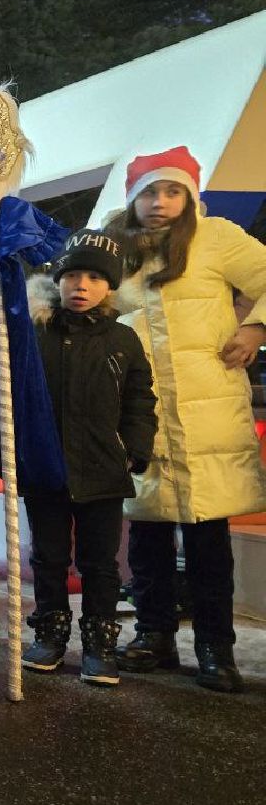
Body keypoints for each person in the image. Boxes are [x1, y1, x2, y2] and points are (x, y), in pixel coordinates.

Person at [108, 147, 266, 693]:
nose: (160, 203)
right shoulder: (114, 244)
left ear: (190, 196)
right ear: (133, 198)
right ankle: (153, 636)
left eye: (172, 191)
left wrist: (254, 329)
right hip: (137, 411)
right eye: (149, 192)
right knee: (146, 534)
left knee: (207, 538)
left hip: (207, 409)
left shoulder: (216, 237)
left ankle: (215, 648)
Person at [20, 230, 156, 685]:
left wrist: (136, 449)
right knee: (49, 557)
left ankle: (100, 643)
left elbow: (140, 398)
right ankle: (51, 634)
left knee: (100, 563)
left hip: (103, 468)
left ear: (110, 287)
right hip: (47, 469)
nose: (81, 285)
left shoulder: (123, 339)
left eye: (94, 278)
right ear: (57, 280)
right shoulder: (36, 334)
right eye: (72, 275)